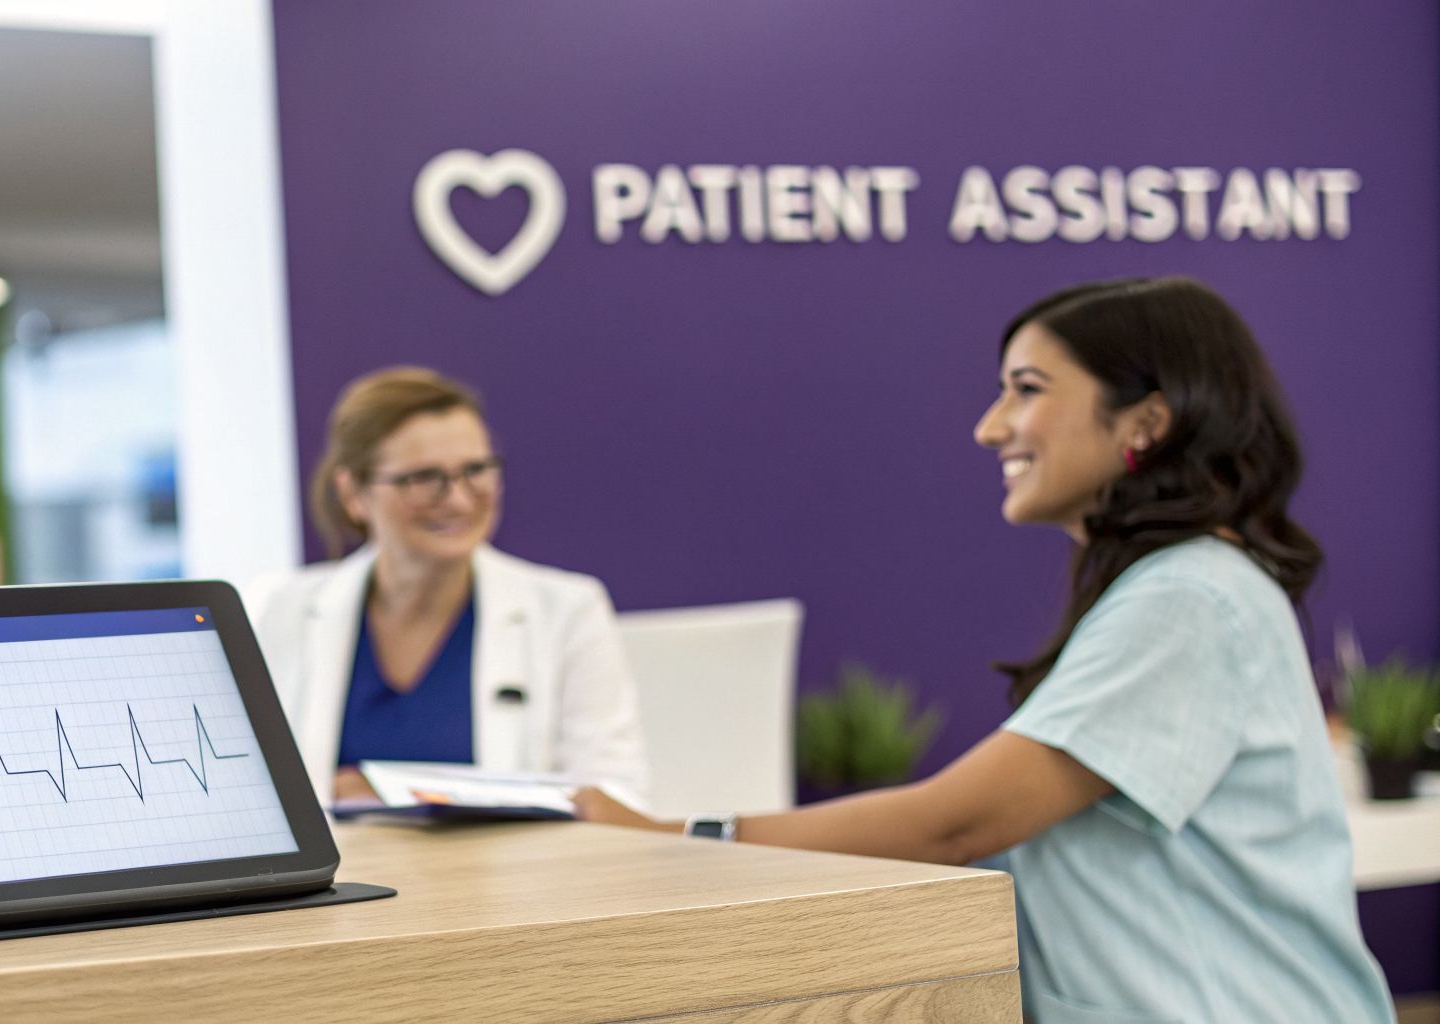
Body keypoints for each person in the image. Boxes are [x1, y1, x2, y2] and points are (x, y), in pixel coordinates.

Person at [575, 278, 1393, 1022]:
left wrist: (681, 840)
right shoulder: (1177, 589)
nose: (989, 426)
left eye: (1026, 391)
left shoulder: (1189, 597)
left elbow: (957, 824)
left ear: (1146, 421)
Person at [244, 366, 647, 806]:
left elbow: (617, 798)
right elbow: (247, 796)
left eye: (475, 470)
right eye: (422, 478)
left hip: (512, 875)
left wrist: (384, 793)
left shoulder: (568, 610)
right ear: (353, 493)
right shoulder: (279, 608)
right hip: (344, 875)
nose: (457, 498)